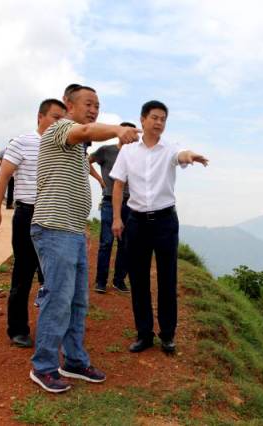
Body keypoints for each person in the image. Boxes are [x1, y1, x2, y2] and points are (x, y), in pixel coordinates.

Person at [29, 85, 141, 393]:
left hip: (73, 231)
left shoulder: (77, 148)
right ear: (69, 105)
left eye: (97, 105)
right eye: (88, 103)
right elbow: (88, 129)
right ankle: (44, 366)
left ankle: (74, 361)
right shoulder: (60, 128)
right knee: (59, 299)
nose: (93, 109)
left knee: (78, 301)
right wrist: (119, 129)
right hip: (54, 228)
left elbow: (88, 133)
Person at [110, 100, 208, 354]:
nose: (159, 122)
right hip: (137, 222)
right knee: (139, 280)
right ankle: (144, 334)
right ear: (142, 119)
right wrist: (117, 218)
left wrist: (191, 156)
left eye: (163, 119)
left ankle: (167, 335)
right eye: (154, 117)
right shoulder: (128, 151)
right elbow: (119, 184)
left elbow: (181, 156)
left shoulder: (169, 148)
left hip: (165, 222)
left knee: (167, 279)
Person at [0, 99, 66, 348]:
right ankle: (18, 329)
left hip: (54, 215)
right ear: (40, 117)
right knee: (23, 272)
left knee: (52, 275)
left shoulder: (63, 145)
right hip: (28, 214)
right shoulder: (22, 142)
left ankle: (52, 328)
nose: (59, 123)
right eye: (55, 117)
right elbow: (4, 176)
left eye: (62, 119)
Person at [89, 122, 136, 294]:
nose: (132, 137)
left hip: (131, 203)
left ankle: (119, 280)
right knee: (106, 242)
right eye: (128, 133)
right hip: (109, 201)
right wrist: (100, 180)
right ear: (121, 134)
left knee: (126, 244)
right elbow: (87, 161)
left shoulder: (137, 154)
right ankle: (100, 281)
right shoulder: (106, 151)